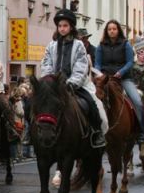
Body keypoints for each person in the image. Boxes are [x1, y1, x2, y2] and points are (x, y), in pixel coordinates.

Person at [41, 8, 108, 148]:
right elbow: (46, 63)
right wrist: (49, 81)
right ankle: (33, 134)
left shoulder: (79, 46)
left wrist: (72, 83)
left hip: (77, 86)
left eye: (65, 26)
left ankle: (97, 133)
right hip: (54, 87)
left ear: (71, 27)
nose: (62, 29)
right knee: (36, 103)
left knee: (95, 105)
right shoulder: (51, 46)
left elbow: (81, 66)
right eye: (60, 26)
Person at [95, 20, 144, 143]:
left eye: (114, 29)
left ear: (118, 30)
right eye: (109, 29)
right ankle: (95, 131)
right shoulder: (101, 46)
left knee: (138, 102)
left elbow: (130, 62)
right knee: (93, 99)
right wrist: (99, 74)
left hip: (123, 78)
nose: (112, 31)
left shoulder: (125, 44)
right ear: (106, 31)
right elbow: (97, 63)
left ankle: (141, 131)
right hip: (105, 78)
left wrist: (121, 72)